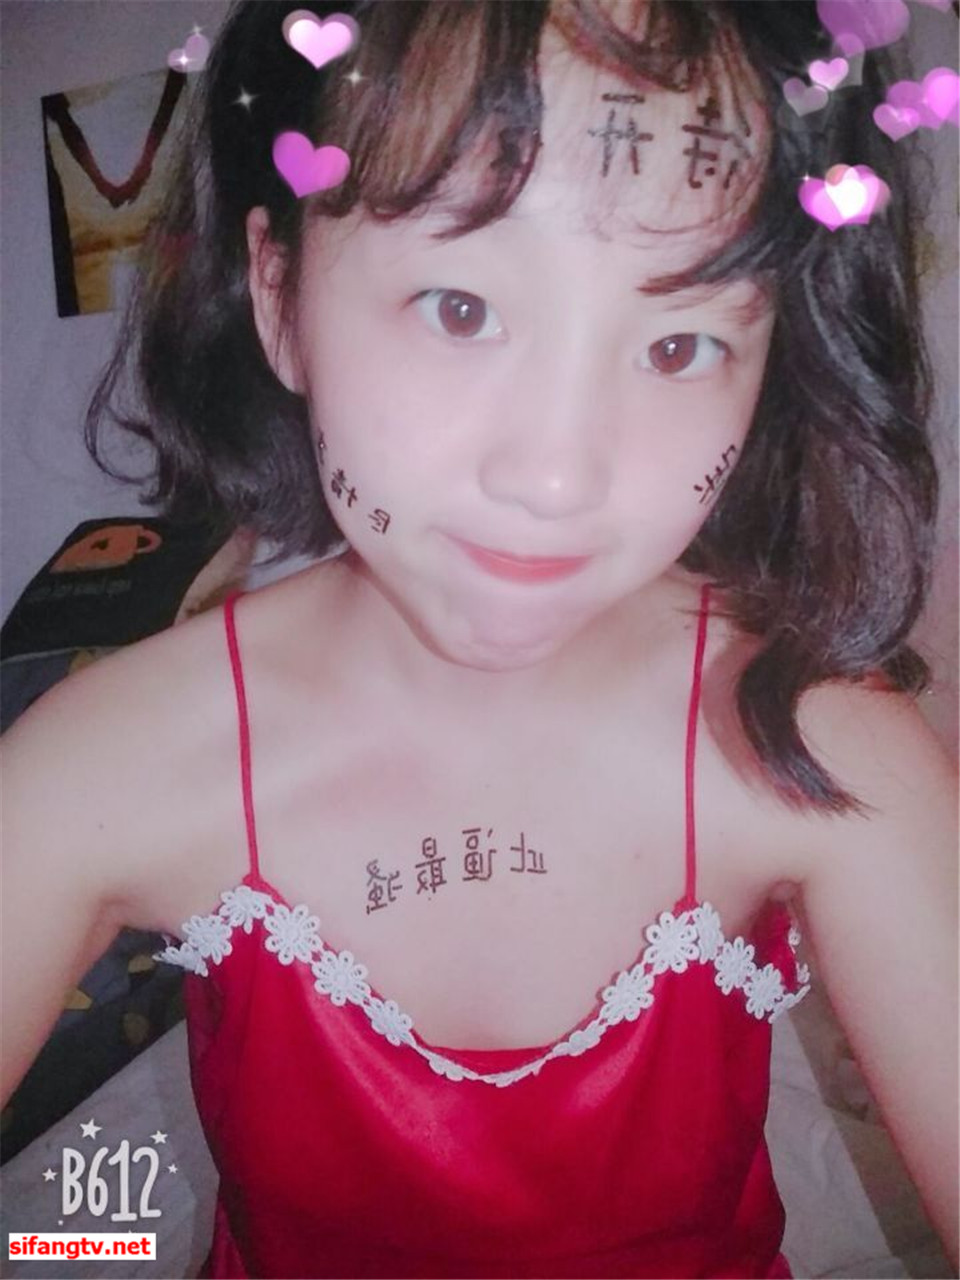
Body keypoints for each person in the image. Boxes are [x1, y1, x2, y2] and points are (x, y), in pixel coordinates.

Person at [3, 0, 957, 1276]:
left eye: (679, 343)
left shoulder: (819, 738)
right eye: (458, 308)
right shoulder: (95, 767)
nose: (557, 477)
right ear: (280, 297)